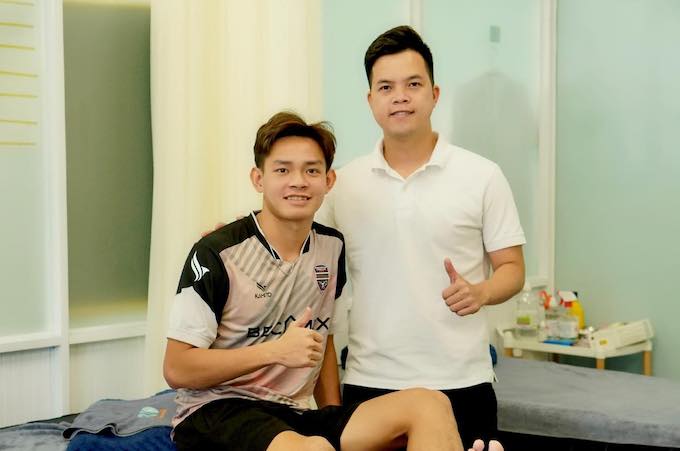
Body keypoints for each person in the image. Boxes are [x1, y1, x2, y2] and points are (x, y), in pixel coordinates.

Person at [164, 111, 502, 451]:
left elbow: (323, 341)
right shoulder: (217, 252)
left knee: (430, 404)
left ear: (329, 181)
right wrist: (275, 352)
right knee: (315, 449)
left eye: (311, 170)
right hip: (218, 409)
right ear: (258, 179)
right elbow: (177, 368)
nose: (298, 181)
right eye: (282, 170)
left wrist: (334, 420)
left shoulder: (330, 247)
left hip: (293, 412)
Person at [315, 25, 526, 448]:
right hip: (371, 380)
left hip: (463, 381)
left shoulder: (482, 176)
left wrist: (482, 291)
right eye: (386, 87)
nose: (400, 97)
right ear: (370, 100)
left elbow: (512, 268)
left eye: (413, 84)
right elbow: (298, 247)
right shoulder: (343, 185)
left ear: (434, 93)